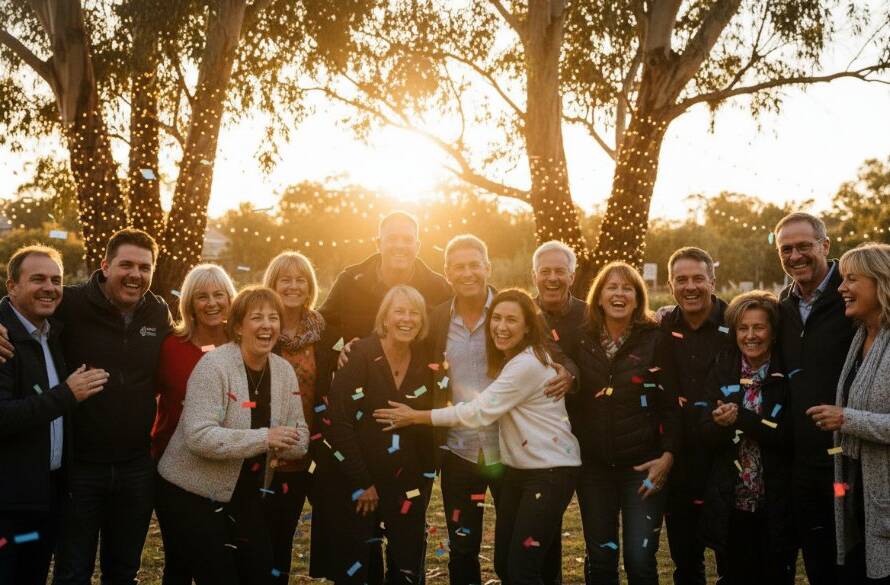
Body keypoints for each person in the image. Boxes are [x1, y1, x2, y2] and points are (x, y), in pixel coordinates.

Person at [374, 288, 581, 585]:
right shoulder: (516, 358)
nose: (500, 326)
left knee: (524, 568)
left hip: (549, 471)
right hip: (518, 470)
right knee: (506, 565)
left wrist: (416, 416)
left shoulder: (526, 363)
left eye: (511, 320)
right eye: (496, 319)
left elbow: (479, 411)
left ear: (528, 326)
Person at [426, 235, 574, 585]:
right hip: (459, 451)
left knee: (528, 547)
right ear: (447, 273)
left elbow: (555, 355)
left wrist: (571, 373)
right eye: (459, 266)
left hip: (510, 452)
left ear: (488, 267)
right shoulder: (437, 320)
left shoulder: (512, 310)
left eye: (474, 265)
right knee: (462, 549)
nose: (468, 273)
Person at [312, 210, 450, 582]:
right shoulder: (352, 283)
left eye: (408, 239)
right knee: (360, 559)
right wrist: (338, 348)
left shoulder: (437, 293)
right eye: (393, 238)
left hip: (411, 472)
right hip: (360, 467)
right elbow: (323, 326)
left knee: (407, 563)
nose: (400, 245)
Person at [157, 286, 309, 585]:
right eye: (257, 317)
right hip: (192, 491)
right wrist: (266, 438)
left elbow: (300, 436)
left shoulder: (283, 371)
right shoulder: (214, 366)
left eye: (273, 317)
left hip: (245, 492)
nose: (267, 325)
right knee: (217, 575)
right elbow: (199, 436)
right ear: (238, 326)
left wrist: (287, 443)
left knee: (260, 571)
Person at [50, 228, 173, 585]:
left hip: (137, 465)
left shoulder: (157, 311)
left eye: (145, 267)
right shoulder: (70, 303)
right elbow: (22, 303)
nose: (136, 275)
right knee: (73, 571)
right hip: (81, 467)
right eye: (127, 265)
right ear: (105, 265)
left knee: (123, 571)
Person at [0, 246, 109, 585]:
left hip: (46, 497)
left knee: (32, 576)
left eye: (56, 280)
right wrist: (67, 394)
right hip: (6, 504)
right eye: (37, 279)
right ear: (11, 287)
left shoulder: (54, 332)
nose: (49, 287)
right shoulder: (4, 340)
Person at [571, 261, 680, 585]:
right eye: (612, 287)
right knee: (601, 560)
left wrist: (668, 456)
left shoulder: (656, 339)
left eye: (627, 288)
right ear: (599, 296)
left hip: (643, 466)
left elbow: (672, 403)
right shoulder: (581, 340)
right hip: (594, 469)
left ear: (637, 297)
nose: (619, 294)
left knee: (639, 559)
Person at [324, 285, 436, 584]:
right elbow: (339, 420)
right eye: (399, 311)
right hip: (361, 483)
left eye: (414, 313)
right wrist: (362, 482)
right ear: (384, 318)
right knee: (359, 568)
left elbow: (437, 415)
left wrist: (426, 472)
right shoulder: (360, 354)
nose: (407, 319)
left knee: (407, 567)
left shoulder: (427, 361)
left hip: (410, 484)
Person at [775, 212, 856, 585]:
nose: (795, 257)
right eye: (786, 249)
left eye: (804, 247)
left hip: (851, 458)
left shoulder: (853, 292)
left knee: (855, 560)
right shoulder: (784, 303)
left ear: (825, 246)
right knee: (818, 558)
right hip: (803, 461)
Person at [807, 243, 890, 583]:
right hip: (857, 496)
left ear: (881, 282)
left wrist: (846, 419)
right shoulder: (860, 336)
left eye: (851, 279)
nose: (841, 288)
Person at [699, 291, 795, 585]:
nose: (750, 335)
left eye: (759, 327)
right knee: (734, 576)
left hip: (776, 500)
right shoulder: (723, 368)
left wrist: (742, 418)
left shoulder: (785, 373)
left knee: (775, 576)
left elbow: (787, 435)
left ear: (773, 332)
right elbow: (704, 432)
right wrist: (718, 423)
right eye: (743, 328)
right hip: (733, 500)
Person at [151, 263, 236, 585]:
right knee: (180, 560)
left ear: (231, 299)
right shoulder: (170, 346)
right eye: (202, 296)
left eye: (219, 295)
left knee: (218, 562)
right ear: (189, 304)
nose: (212, 303)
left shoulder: (243, 347)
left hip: (226, 469)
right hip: (174, 468)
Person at [659, 247, 731, 585]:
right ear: (671, 284)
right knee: (686, 563)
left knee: (731, 559)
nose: (690, 287)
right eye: (681, 279)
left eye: (698, 278)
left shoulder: (735, 323)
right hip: (678, 459)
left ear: (712, 281)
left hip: (727, 459)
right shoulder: (660, 328)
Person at [262, 252, 325, 583]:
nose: (293, 285)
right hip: (260, 452)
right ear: (272, 283)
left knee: (284, 537)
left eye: (301, 279)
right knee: (257, 540)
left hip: (305, 454)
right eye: (285, 279)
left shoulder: (323, 332)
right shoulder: (259, 328)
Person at [531, 239, 587, 585]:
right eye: (545, 271)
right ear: (534, 275)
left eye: (559, 271)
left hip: (587, 432)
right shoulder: (523, 312)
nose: (552, 278)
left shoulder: (590, 313)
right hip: (535, 439)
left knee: (597, 534)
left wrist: (574, 374)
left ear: (572, 275)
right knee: (542, 528)